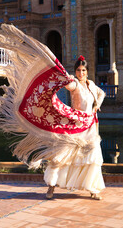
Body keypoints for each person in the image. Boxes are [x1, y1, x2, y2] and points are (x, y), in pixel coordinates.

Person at [44, 55, 106, 200]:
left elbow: (102, 93)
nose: (81, 73)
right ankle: (51, 186)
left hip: (91, 127)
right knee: (63, 156)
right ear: (75, 71)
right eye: (78, 70)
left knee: (93, 157)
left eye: (83, 70)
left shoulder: (91, 84)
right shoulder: (75, 85)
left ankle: (93, 189)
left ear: (87, 71)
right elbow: (67, 84)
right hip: (76, 126)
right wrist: (64, 77)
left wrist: (97, 105)